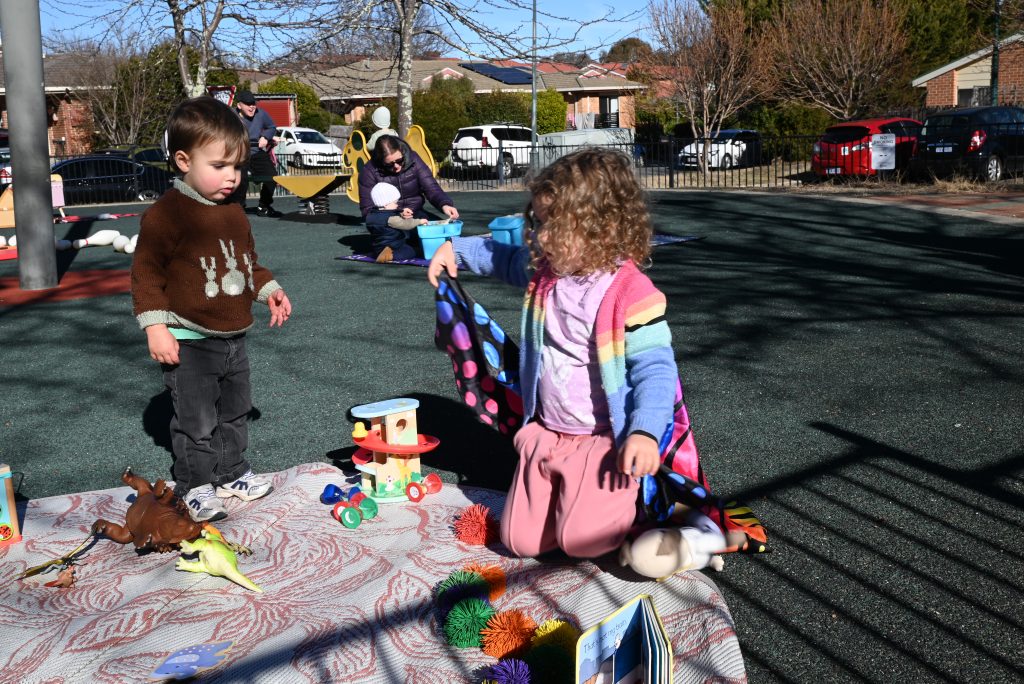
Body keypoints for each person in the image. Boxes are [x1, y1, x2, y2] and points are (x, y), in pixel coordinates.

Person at [427, 147, 677, 560]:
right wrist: (455, 250)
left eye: (554, 226)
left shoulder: (631, 293)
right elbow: (502, 258)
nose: (542, 237)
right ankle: (572, 498)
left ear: (600, 227)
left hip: (600, 441)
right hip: (547, 433)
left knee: (582, 541)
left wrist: (644, 432)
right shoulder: (547, 273)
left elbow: (656, 369)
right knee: (519, 541)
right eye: (540, 223)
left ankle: (632, 503)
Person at [131, 96, 293, 523]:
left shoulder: (234, 212)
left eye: (236, 166)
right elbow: (146, 275)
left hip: (233, 336)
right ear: (184, 161)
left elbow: (247, 263)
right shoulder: (166, 214)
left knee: (234, 411)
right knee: (196, 420)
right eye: (219, 166)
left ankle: (230, 471)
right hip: (189, 339)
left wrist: (269, 289)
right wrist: (156, 327)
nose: (231, 176)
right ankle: (195, 484)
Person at [358, 134, 459, 262]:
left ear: (402, 151)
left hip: (416, 213)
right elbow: (368, 210)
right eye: (389, 164)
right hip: (388, 223)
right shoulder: (368, 171)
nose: (396, 166)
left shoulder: (414, 158)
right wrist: (397, 213)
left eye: (399, 161)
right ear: (380, 160)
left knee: (444, 234)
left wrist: (444, 204)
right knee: (410, 242)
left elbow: (431, 187)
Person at [235, 90, 282, 218]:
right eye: (248, 104)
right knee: (240, 179)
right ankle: (238, 208)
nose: (252, 107)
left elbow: (271, 127)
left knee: (272, 177)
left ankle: (264, 206)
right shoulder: (231, 116)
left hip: (256, 152)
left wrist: (265, 137)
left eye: (253, 104)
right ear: (239, 105)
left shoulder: (261, 114)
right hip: (238, 154)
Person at [366, 182, 428, 262]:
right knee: (411, 251)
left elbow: (387, 215)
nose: (397, 205)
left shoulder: (371, 215)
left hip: (378, 246)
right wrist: (419, 221)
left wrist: (401, 213)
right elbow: (406, 224)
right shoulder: (391, 219)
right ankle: (389, 256)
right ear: (386, 204)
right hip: (394, 246)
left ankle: (380, 254)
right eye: (395, 203)